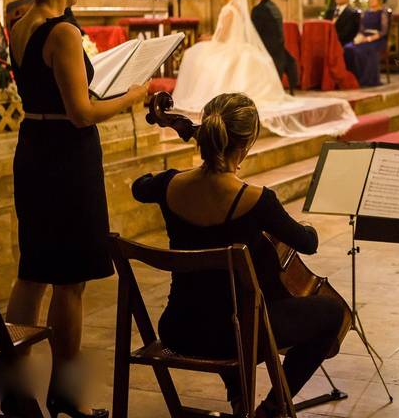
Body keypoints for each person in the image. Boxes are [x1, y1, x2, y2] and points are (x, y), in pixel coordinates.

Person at [132, 93, 345, 417]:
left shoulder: (169, 185)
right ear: (245, 145)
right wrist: (306, 226)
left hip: (178, 330)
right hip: (235, 337)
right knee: (332, 313)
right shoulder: (258, 201)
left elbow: (139, 186)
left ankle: (238, 398)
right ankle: (271, 410)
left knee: (221, 299)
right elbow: (307, 243)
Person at [5, 0, 147, 418]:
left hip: (34, 148)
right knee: (70, 281)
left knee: (33, 270)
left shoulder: (20, 24)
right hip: (66, 156)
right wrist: (133, 95)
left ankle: (13, 385)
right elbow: (82, 112)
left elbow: (48, 92)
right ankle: (65, 393)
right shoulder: (62, 33)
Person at [172, 0, 356, 137]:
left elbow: (223, 36)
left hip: (228, 45)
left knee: (192, 54)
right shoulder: (240, 7)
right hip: (243, 46)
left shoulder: (229, 9)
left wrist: (209, 38)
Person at [249, 0, 299, 91]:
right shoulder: (273, 6)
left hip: (267, 51)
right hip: (278, 51)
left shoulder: (259, 9)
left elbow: (254, 34)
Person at [343, 0, 389, 87]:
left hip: (377, 39)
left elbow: (383, 32)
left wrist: (369, 39)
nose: (371, 0)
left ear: (380, 0)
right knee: (348, 48)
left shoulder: (383, 13)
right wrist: (358, 38)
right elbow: (361, 29)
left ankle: (366, 80)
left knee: (364, 50)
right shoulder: (366, 13)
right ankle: (353, 78)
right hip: (364, 37)